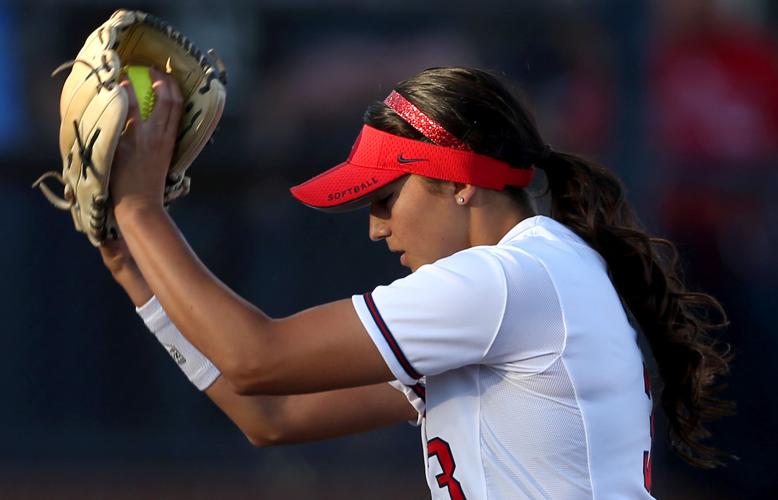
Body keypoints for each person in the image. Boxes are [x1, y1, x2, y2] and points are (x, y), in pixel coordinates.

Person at [100, 66, 731, 499]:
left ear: (460, 181)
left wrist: (141, 208)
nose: (377, 229)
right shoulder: (528, 279)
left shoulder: (505, 282)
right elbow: (273, 415)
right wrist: (135, 270)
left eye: (385, 198)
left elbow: (256, 360)